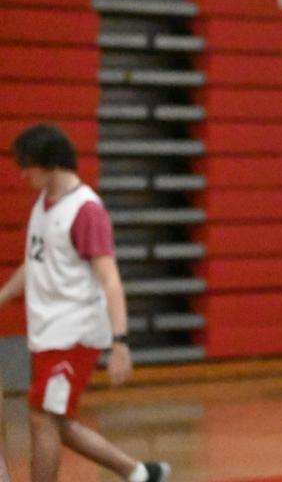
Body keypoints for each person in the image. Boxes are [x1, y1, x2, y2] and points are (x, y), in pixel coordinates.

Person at [0, 124, 170, 482]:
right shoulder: (43, 206)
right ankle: (138, 473)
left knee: (42, 418)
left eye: (27, 164)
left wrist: (120, 342)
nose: (22, 172)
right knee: (57, 422)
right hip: (48, 333)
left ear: (49, 164)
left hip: (74, 334)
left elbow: (110, 278)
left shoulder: (85, 210)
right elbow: (35, 264)